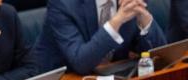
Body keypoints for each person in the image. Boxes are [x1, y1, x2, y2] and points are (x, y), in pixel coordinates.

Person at [34, 0, 167, 75]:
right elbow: (80, 62)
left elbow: (162, 56)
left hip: (110, 78)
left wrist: (144, 17)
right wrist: (117, 21)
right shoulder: (63, 4)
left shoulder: (129, 1)